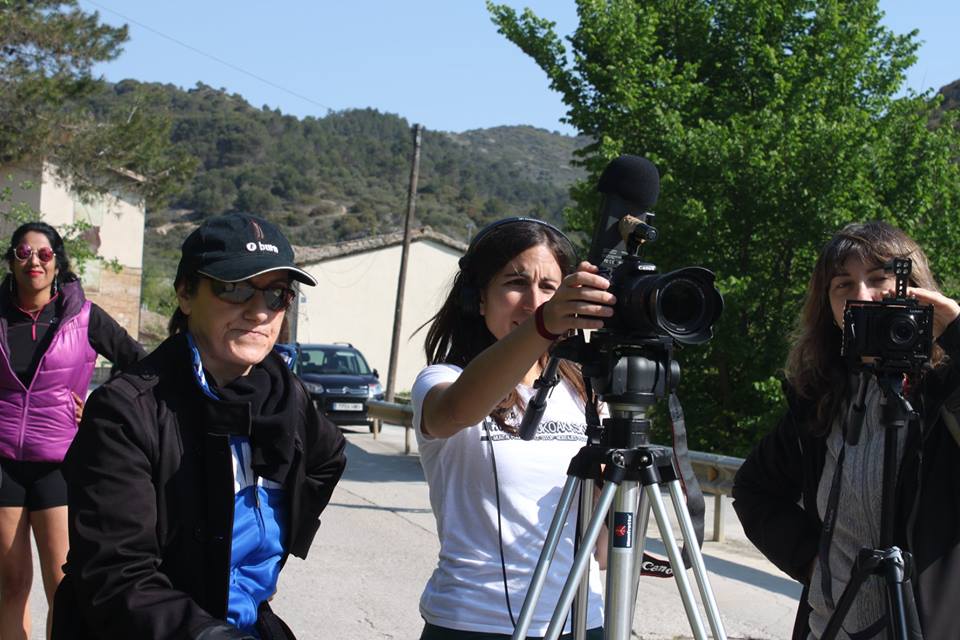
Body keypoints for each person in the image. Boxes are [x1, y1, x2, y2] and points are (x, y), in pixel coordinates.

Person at [50, 213, 348, 639]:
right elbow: (116, 577)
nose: (259, 311)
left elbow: (328, 457)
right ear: (186, 293)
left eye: (277, 295)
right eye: (235, 287)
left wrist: (273, 550)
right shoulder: (125, 412)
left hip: (243, 622)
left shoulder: (286, 395)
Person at [732, 221, 960, 639]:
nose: (862, 296)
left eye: (878, 279)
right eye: (843, 285)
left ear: (912, 288)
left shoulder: (947, 386)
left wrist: (959, 336)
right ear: (830, 307)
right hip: (830, 626)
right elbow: (753, 489)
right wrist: (812, 560)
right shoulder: (820, 393)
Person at [412, 217, 613, 640]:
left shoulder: (586, 391)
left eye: (549, 288)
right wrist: (544, 326)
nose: (534, 303)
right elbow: (456, 411)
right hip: (473, 622)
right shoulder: (442, 380)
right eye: (516, 283)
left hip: (580, 619)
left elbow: (601, 539)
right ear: (478, 299)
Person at [0, 221, 145, 639]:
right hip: (3, 465)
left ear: (57, 263)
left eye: (44, 254)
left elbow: (139, 364)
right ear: (11, 261)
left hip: (60, 465)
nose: (34, 261)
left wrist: (100, 408)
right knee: (10, 585)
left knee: (63, 587)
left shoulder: (83, 316)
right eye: (23, 252)